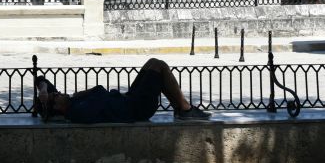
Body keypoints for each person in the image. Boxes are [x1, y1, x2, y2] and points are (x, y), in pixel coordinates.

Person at [35, 57, 211, 123]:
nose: (58, 93)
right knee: (160, 66)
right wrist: (85, 93)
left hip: (128, 99)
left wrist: (43, 90)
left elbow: (40, 80)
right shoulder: (77, 111)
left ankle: (181, 108)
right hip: (136, 108)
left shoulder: (69, 103)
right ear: (57, 107)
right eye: (55, 96)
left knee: (151, 63)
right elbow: (100, 92)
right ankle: (185, 109)